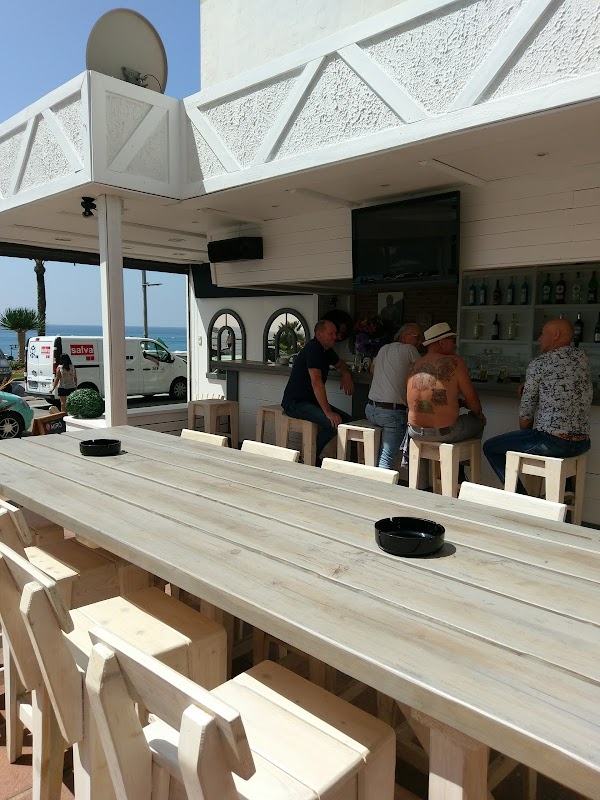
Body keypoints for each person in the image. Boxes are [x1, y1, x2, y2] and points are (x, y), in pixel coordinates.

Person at [483, 318, 592, 492]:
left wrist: (525, 431)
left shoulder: (539, 363)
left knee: (491, 447)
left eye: (542, 334)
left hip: (553, 443)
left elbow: (525, 417)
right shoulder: (582, 359)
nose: (539, 339)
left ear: (555, 335)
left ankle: (522, 499)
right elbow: (563, 383)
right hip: (582, 443)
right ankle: (566, 492)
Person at [282, 319, 353, 460]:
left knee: (347, 420)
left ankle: (312, 455)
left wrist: (346, 374)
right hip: (295, 403)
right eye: (331, 333)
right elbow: (316, 382)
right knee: (333, 424)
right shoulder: (313, 348)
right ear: (319, 335)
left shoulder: (326, 350)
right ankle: (309, 458)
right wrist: (328, 412)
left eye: (335, 333)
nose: (335, 337)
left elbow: (341, 365)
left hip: (311, 402)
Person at [406, 322, 486, 447]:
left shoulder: (415, 365)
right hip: (444, 433)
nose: (455, 345)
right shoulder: (455, 362)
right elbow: (472, 401)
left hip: (414, 432)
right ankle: (463, 458)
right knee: (477, 422)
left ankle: (429, 459)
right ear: (441, 342)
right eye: (452, 340)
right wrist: (479, 415)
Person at [365, 323, 423, 469]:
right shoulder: (410, 349)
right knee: (387, 458)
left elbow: (372, 369)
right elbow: (424, 372)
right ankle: (379, 483)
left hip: (370, 411)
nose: (420, 341)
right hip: (391, 413)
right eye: (417, 337)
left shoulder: (384, 348)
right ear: (404, 337)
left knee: (382, 453)